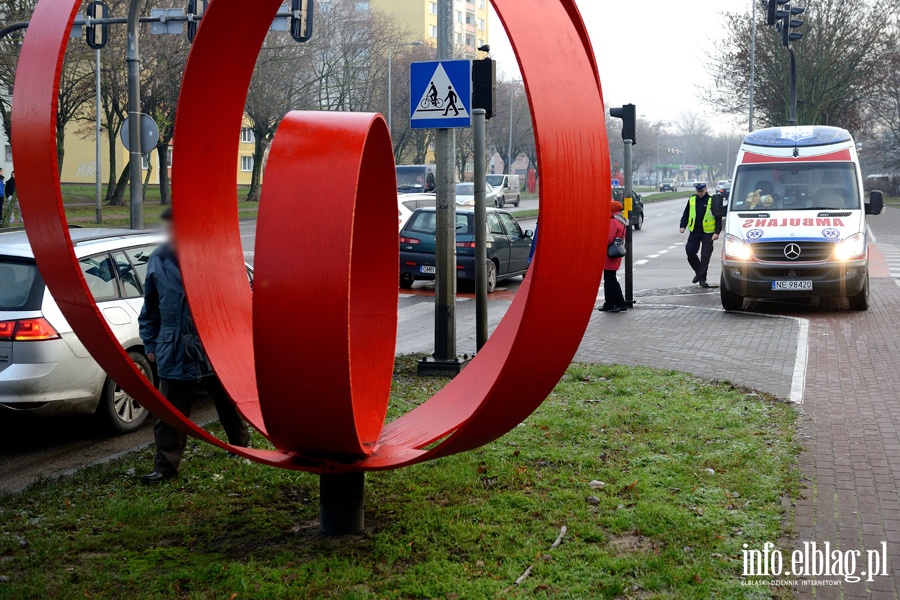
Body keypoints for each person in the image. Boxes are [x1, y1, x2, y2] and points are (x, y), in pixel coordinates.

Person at [138, 208, 250, 484]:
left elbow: (237, 302)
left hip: (212, 346)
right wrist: (151, 343)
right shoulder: (158, 261)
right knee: (171, 413)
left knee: (227, 403)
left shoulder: (214, 258)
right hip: (173, 347)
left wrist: (233, 342)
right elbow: (150, 309)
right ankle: (165, 468)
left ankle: (242, 448)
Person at [679, 182, 722, 288]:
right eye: (698, 192)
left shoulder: (712, 200)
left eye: (701, 191)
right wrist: (683, 226)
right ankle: (699, 273)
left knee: (705, 256)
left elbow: (718, 217)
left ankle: (702, 279)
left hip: (708, 233)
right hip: (694, 231)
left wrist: (717, 232)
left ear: (706, 189)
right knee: (690, 252)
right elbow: (686, 213)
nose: (700, 194)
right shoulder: (692, 199)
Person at [599, 200, 628, 313]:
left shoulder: (613, 222)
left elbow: (608, 238)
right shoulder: (620, 220)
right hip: (615, 252)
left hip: (609, 253)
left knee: (610, 279)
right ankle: (609, 303)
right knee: (609, 278)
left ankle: (620, 303)